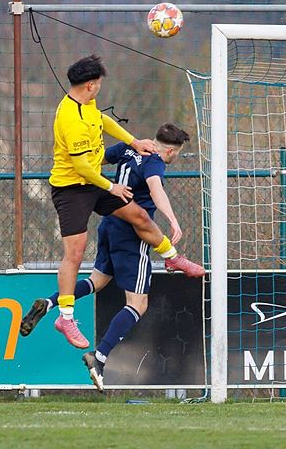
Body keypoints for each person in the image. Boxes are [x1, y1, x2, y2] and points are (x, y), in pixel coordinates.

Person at [48, 55, 203, 350]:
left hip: (95, 183)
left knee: (140, 217)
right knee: (75, 253)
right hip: (73, 189)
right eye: (100, 85)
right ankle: (65, 317)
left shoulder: (85, 104)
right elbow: (82, 169)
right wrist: (112, 187)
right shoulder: (71, 119)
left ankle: (172, 257)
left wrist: (133, 142)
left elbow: (103, 121)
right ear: (91, 85)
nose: (100, 89)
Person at [23, 123, 192, 391]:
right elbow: (156, 189)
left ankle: (49, 302)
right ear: (170, 150)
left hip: (109, 224)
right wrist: (172, 220)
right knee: (138, 304)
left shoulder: (130, 146)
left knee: (97, 281)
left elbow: (99, 157)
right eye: (176, 154)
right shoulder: (155, 161)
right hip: (133, 235)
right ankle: (99, 358)